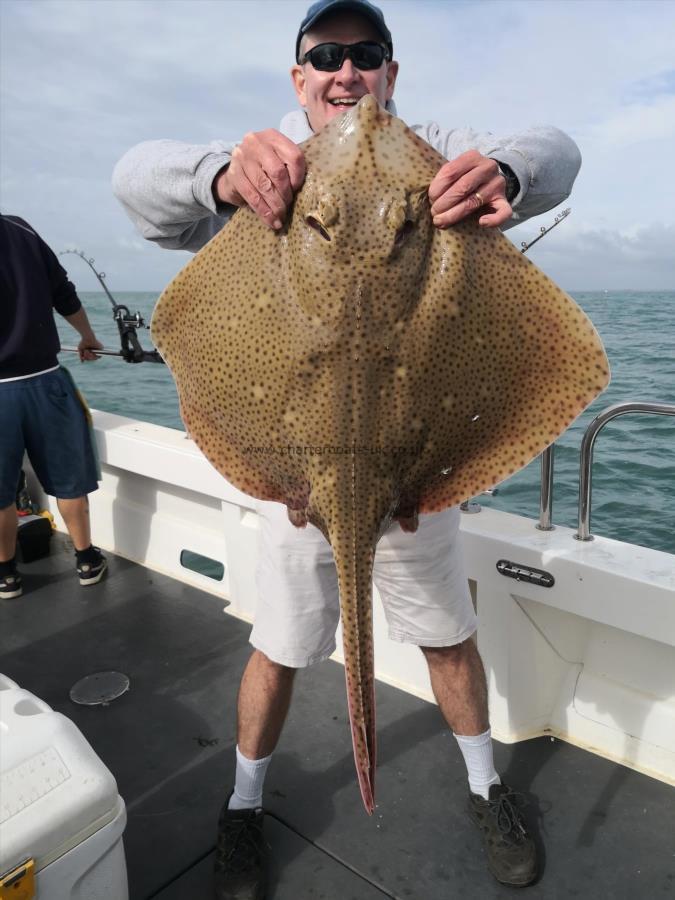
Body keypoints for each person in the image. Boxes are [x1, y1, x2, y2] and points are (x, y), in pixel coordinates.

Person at [113, 1, 582, 895]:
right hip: (292, 462)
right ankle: (245, 802)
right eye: (324, 56)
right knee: (282, 643)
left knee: (446, 637)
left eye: (365, 55)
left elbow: (556, 149)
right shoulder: (267, 163)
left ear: (389, 74)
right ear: (299, 79)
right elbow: (134, 179)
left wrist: (507, 173)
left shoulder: (438, 149)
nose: (345, 72)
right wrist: (219, 175)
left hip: (420, 466)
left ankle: (486, 788)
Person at [0, 214, 108, 601]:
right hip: (46, 381)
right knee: (68, 481)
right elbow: (62, 291)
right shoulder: (21, 229)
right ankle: (85, 559)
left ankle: (6, 575)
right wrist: (88, 337)